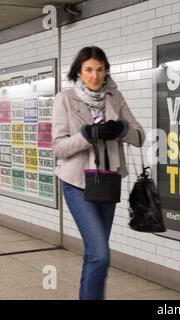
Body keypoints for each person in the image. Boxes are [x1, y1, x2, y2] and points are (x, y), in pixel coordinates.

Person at [52, 46, 144, 299]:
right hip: (77, 183)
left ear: (106, 71)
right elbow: (59, 148)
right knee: (101, 254)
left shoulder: (114, 97)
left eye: (100, 69)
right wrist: (86, 136)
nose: (95, 75)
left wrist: (122, 129)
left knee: (95, 253)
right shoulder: (65, 99)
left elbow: (139, 137)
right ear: (79, 73)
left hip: (107, 182)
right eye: (89, 70)